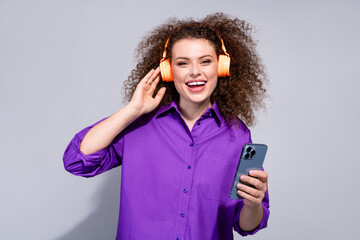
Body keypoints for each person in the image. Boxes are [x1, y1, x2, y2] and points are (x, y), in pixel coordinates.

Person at [63, 12, 269, 240]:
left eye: (205, 61)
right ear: (169, 70)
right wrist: (133, 109)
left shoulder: (238, 135)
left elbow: (246, 226)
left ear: (221, 66)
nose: (195, 72)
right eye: (183, 63)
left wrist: (253, 204)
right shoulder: (139, 125)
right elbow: (77, 160)